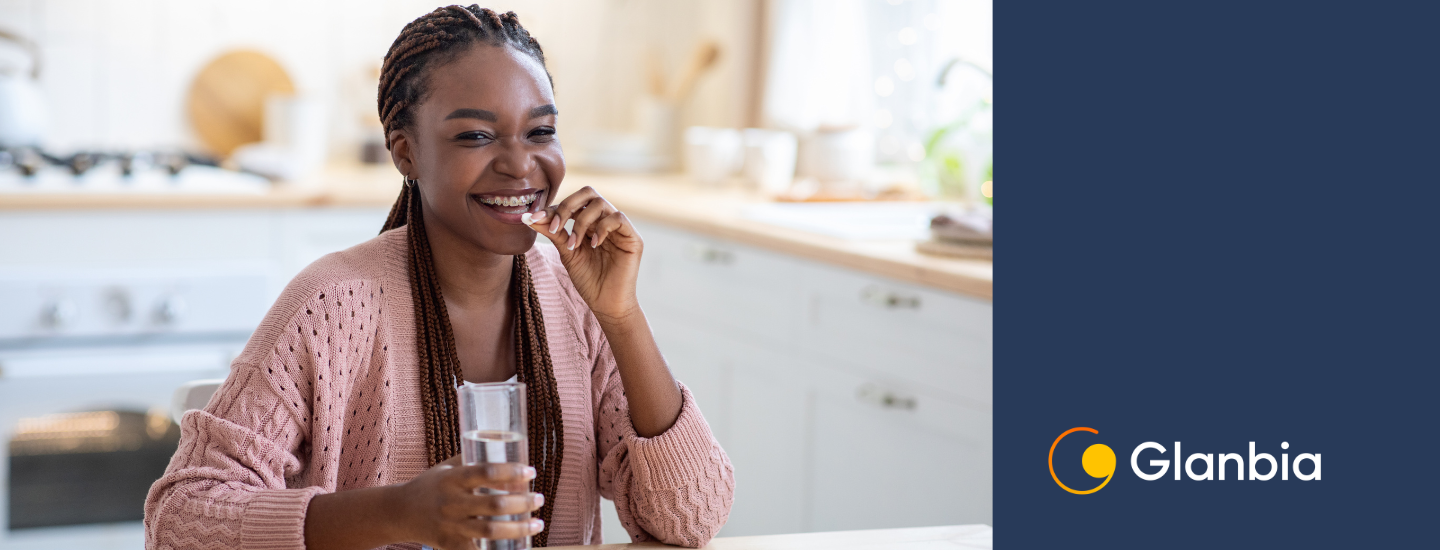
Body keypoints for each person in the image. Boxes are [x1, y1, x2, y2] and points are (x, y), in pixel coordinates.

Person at [143, 6, 734, 549]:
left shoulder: (577, 300)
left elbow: (691, 518)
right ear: (406, 152)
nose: (520, 163)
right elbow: (180, 519)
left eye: (541, 131)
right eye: (475, 136)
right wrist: (397, 512)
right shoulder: (332, 306)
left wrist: (621, 315)